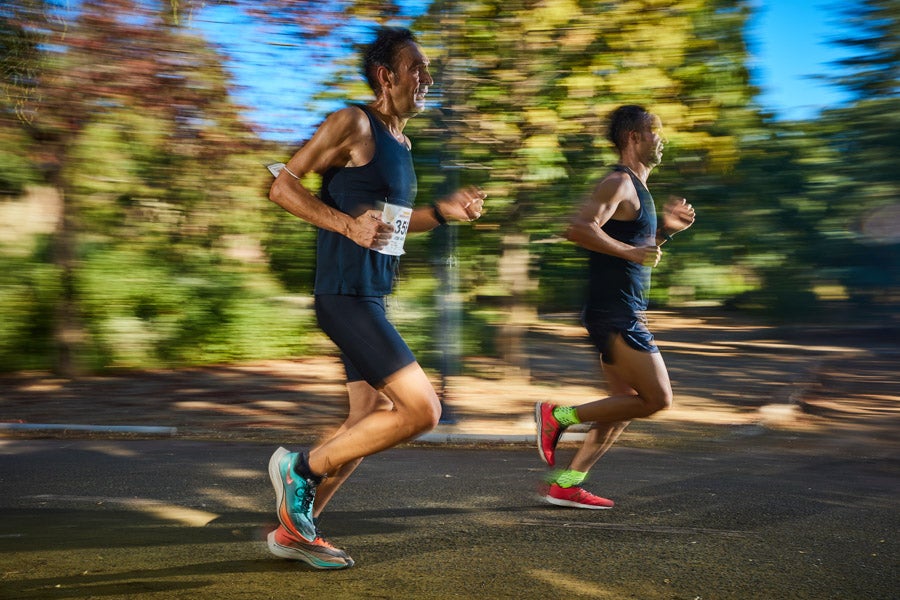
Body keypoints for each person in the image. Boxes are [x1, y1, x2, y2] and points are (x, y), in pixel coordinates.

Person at [266, 27, 485, 569]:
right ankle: (301, 469)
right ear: (387, 77)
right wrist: (345, 225)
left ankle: (296, 530)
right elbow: (282, 186)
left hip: (370, 295)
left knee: (365, 421)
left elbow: (392, 228)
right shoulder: (353, 122)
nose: (427, 79)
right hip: (345, 297)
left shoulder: (400, 145)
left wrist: (443, 213)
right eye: (417, 68)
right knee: (422, 410)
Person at [535, 105, 695, 509]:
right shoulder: (618, 183)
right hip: (616, 313)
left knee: (622, 406)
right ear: (634, 138)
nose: (662, 138)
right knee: (657, 399)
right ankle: (559, 416)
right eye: (654, 131)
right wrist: (632, 252)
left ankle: (567, 484)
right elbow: (577, 228)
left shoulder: (638, 190)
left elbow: (638, 252)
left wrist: (664, 234)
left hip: (617, 310)